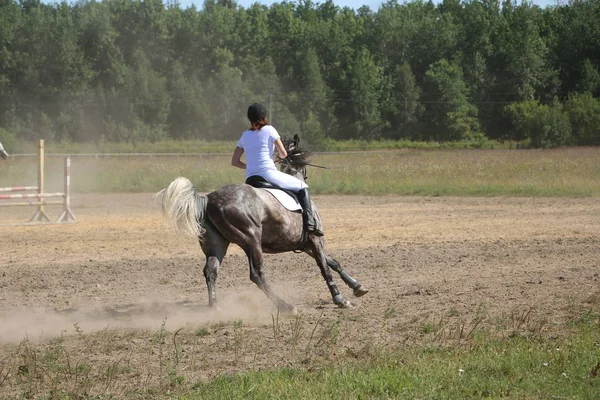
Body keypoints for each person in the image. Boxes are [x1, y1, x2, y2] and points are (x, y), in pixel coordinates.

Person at [232, 103, 324, 237]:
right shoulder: (270, 130)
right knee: (302, 186)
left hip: (250, 178)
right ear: (264, 117)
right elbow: (283, 154)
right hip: (268, 174)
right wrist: (279, 158)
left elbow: (234, 162)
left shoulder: (244, 135)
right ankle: (310, 223)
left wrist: (251, 165)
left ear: (250, 118)